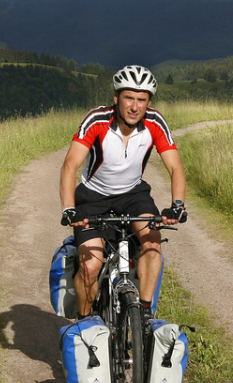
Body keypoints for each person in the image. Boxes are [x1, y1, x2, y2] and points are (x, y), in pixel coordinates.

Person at [58, 64, 187, 321]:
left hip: (133, 194)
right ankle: (85, 323)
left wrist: (177, 205)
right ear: (116, 98)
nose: (134, 106)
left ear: (148, 102)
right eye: (129, 97)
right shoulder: (97, 120)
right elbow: (70, 165)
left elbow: (175, 168)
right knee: (91, 265)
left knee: (152, 242)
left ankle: (145, 315)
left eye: (142, 100)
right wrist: (69, 209)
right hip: (93, 197)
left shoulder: (155, 123)